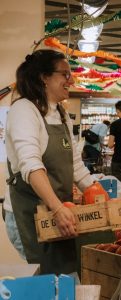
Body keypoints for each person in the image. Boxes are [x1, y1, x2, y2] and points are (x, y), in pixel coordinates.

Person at [4, 49, 97, 275]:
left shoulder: (61, 114)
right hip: (31, 215)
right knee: (44, 282)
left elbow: (75, 165)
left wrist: (99, 193)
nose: (71, 80)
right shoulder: (24, 110)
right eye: (64, 74)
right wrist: (56, 208)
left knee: (63, 279)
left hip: (58, 214)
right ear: (44, 77)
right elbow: (31, 166)